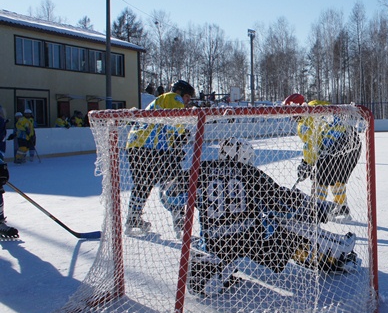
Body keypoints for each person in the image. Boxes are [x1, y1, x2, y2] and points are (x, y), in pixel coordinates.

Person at [160, 138, 357, 296]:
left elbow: (170, 195)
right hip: (251, 241)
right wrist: (318, 208)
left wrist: (179, 214)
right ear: (242, 156)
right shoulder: (250, 173)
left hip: (215, 243)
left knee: (217, 246)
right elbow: (281, 200)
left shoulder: (200, 170)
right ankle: (335, 250)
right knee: (284, 223)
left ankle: (215, 270)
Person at [124, 79, 195, 236]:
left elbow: (166, 126)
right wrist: (183, 134)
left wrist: (176, 143)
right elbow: (176, 121)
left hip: (135, 146)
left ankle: (133, 218)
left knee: (143, 183)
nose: (186, 103)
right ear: (180, 93)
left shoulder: (159, 103)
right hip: (151, 148)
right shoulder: (172, 97)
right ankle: (180, 224)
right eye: (187, 98)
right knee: (174, 181)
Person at [294, 97, 362, 219]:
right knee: (336, 177)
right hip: (353, 142)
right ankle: (341, 206)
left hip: (337, 144)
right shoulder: (315, 104)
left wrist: (306, 163)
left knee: (319, 176)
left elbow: (312, 144)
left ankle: (316, 210)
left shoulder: (303, 122)